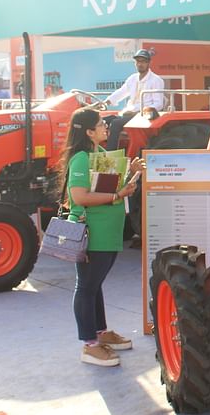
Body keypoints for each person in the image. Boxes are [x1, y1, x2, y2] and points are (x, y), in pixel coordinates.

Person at [58, 108, 144, 367]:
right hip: (91, 232)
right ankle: (90, 344)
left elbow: (109, 188)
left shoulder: (102, 155)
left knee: (94, 285)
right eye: (100, 124)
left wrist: (130, 175)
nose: (106, 127)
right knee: (86, 287)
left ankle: (100, 331)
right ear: (88, 132)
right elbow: (81, 197)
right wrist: (119, 196)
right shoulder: (82, 159)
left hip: (107, 232)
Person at [105, 49, 165, 150]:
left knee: (115, 123)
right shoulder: (132, 78)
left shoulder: (156, 80)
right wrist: (107, 101)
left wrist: (141, 111)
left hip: (143, 115)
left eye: (143, 61)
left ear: (149, 63)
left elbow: (158, 103)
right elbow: (121, 92)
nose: (140, 64)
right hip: (129, 113)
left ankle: (110, 155)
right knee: (104, 120)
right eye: (138, 61)